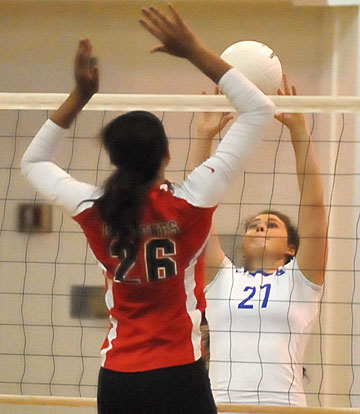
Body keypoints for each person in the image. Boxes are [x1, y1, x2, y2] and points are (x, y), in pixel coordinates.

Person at [21, 5, 275, 414]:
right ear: (167, 154)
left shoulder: (94, 209)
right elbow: (259, 109)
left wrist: (80, 96)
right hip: (179, 374)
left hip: (119, 379)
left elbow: (32, 162)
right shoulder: (191, 200)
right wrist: (193, 50)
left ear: (115, 158)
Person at [197, 75, 328, 406]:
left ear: (291, 248)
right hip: (221, 406)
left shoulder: (301, 280)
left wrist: (299, 132)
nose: (259, 228)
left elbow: (313, 206)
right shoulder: (222, 278)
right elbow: (197, 206)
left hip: (283, 409)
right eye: (253, 226)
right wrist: (204, 136)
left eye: (270, 225)